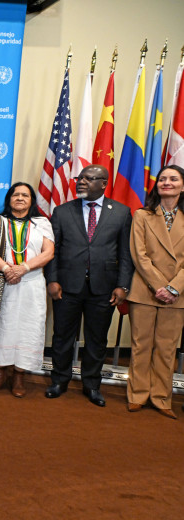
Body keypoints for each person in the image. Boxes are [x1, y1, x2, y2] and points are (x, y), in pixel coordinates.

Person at [44, 164, 133, 407]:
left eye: (89, 178)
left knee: (97, 339)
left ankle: (92, 385)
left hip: (104, 288)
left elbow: (126, 253)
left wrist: (123, 286)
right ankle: (59, 380)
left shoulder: (121, 212)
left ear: (103, 183)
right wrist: (52, 279)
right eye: (80, 178)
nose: (81, 182)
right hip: (66, 286)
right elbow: (53, 250)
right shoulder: (62, 212)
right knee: (62, 336)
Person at [0, 183, 54, 396]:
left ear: (31, 200)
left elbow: (48, 252)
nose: (20, 198)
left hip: (31, 284)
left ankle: (19, 375)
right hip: (2, 282)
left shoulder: (41, 223)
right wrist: (7, 269)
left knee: (28, 328)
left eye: (25, 195)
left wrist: (23, 268)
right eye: (16, 194)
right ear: (9, 199)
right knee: (1, 326)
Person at [125, 165, 184, 419]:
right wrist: (160, 286)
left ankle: (161, 397)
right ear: (156, 185)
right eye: (162, 179)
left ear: (183, 185)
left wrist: (173, 288)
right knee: (141, 345)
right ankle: (137, 395)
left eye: (173, 179)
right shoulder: (142, 215)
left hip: (178, 294)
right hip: (145, 291)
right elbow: (139, 255)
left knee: (167, 348)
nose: (167, 183)